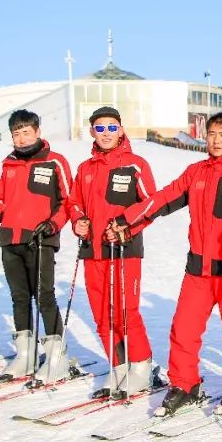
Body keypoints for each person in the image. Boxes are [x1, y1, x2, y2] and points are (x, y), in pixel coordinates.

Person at [109, 112, 222, 416]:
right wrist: (126, 220)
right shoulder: (196, 172)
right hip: (198, 268)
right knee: (183, 329)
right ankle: (184, 385)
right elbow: (163, 199)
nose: (216, 140)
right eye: (211, 134)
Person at [0, 110, 75, 383]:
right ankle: (25, 356)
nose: (21, 139)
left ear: (37, 132)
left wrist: (53, 224)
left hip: (41, 239)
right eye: (16, 134)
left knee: (45, 297)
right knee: (19, 298)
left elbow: (67, 202)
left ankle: (57, 357)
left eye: (26, 133)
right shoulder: (8, 164)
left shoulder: (55, 162)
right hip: (11, 239)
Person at [68, 106, 158, 398]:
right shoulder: (85, 169)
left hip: (124, 249)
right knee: (102, 315)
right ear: (92, 131)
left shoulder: (135, 165)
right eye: (99, 128)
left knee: (125, 310)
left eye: (111, 127)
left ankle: (142, 367)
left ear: (120, 130)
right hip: (93, 251)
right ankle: (118, 368)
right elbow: (74, 203)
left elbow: (150, 204)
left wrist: (126, 228)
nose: (105, 133)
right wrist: (78, 222)